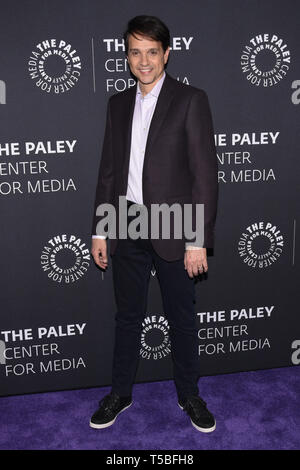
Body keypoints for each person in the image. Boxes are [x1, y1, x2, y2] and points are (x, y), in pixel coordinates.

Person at [90, 15, 218, 433]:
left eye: (151, 52)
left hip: (176, 226)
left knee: (181, 317)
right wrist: (100, 228)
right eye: (134, 52)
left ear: (166, 53)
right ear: (126, 56)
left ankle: (189, 395)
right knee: (127, 316)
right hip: (127, 222)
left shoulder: (190, 99)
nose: (143, 61)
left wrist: (197, 238)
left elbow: (203, 174)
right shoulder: (117, 103)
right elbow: (108, 172)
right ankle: (120, 394)